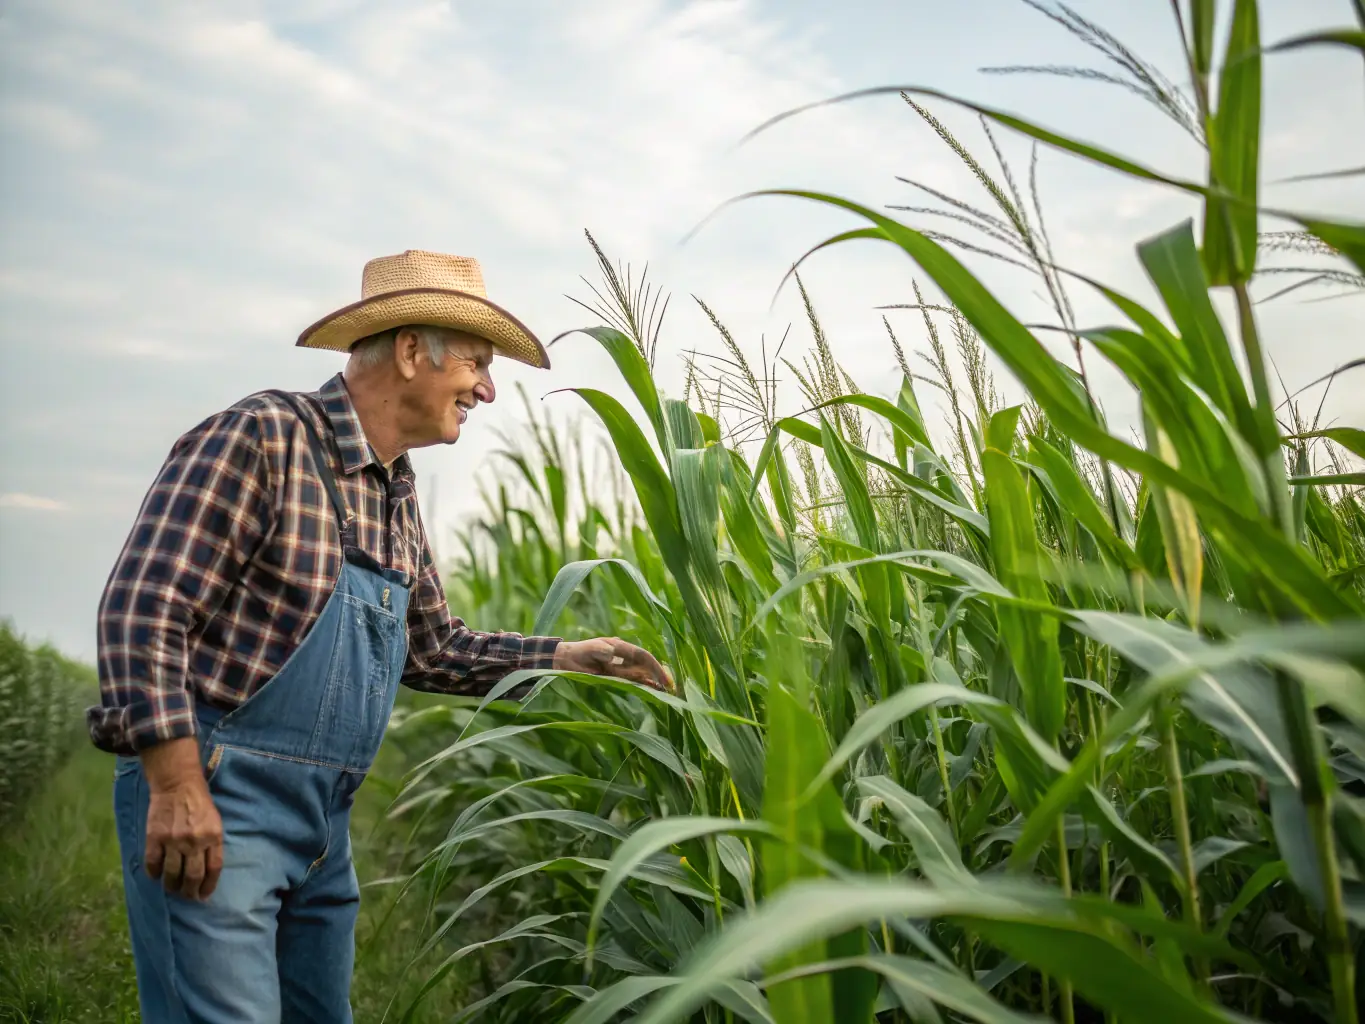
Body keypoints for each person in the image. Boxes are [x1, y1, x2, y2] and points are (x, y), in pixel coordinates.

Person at [89, 249, 671, 1023]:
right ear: (408, 351)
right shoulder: (263, 436)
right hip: (218, 798)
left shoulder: (393, 488)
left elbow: (431, 648)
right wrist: (175, 784)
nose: (488, 389)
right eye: (477, 362)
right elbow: (143, 605)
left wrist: (565, 657)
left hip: (323, 824)